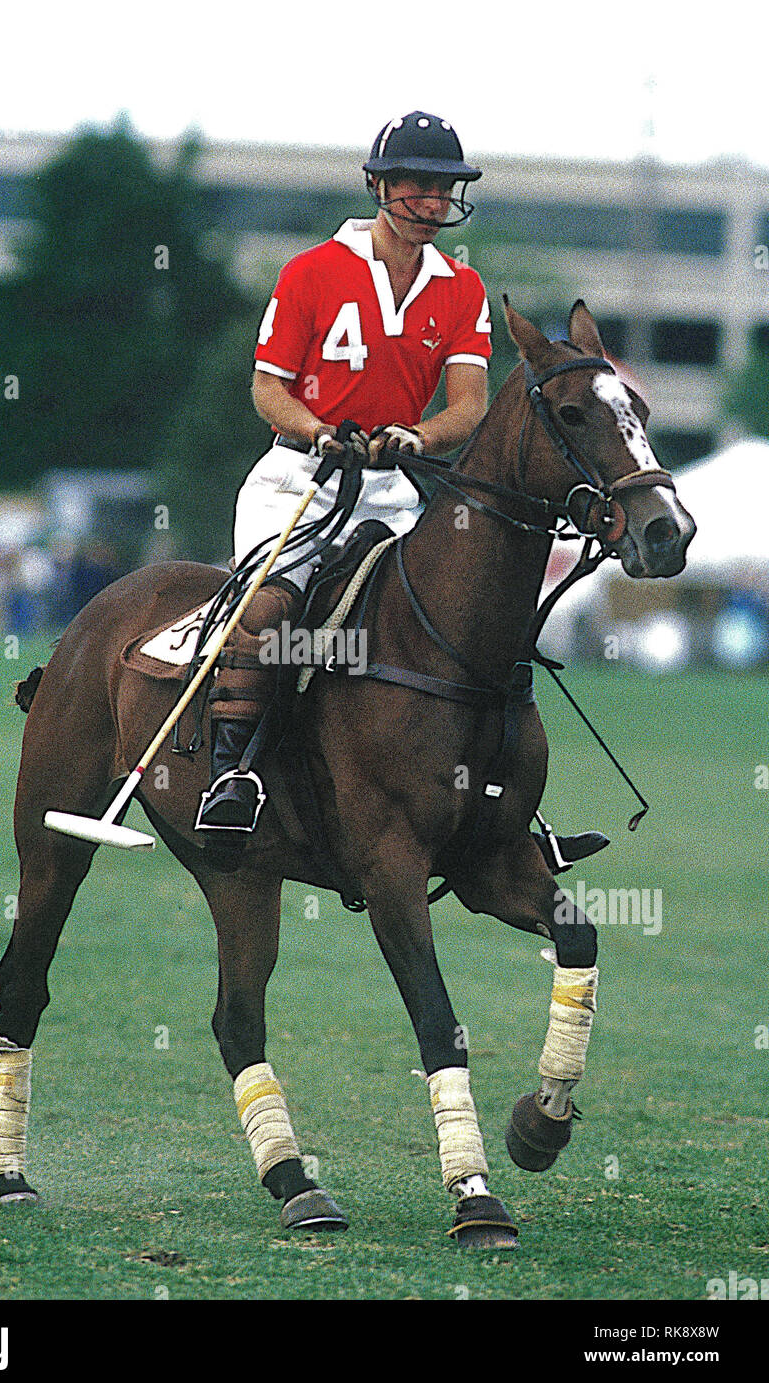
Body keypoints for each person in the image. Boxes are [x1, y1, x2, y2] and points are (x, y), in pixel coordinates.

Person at [195, 111, 607, 877]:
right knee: (271, 610)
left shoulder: (460, 288)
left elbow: (468, 407)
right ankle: (233, 776)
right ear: (380, 185)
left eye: (444, 186)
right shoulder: (312, 271)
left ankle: (510, 811)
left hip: (396, 492)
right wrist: (322, 431)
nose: (432, 199)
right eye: (416, 183)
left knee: (470, 621)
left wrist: (417, 436)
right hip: (299, 482)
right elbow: (267, 389)